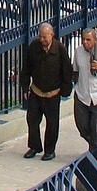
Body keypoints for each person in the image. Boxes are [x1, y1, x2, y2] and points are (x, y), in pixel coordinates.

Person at [20, 23, 73, 162]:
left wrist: (65, 91)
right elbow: (26, 68)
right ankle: (34, 146)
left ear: (52, 35)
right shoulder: (34, 47)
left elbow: (66, 71)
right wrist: (25, 87)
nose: (42, 40)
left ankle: (50, 150)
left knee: (52, 123)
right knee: (32, 120)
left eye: (45, 37)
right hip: (36, 91)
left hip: (53, 93)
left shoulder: (60, 49)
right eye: (40, 37)